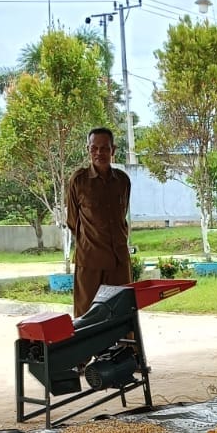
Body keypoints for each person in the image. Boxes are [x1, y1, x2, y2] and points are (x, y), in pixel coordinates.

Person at [65, 128, 132, 318]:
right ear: (88, 149)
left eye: (104, 148)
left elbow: (121, 216)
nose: (99, 153)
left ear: (113, 150)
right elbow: (72, 221)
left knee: (123, 315)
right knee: (86, 317)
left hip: (119, 261)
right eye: (94, 148)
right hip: (90, 262)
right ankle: (90, 349)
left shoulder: (122, 181)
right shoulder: (79, 181)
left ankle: (124, 349)